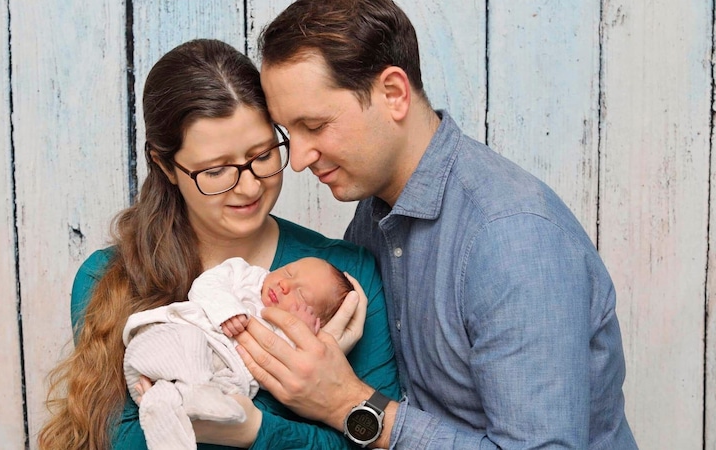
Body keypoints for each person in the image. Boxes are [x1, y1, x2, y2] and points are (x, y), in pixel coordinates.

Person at [233, 0, 639, 448]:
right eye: (293, 133)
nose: (301, 160)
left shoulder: (512, 238)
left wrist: (346, 403)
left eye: (317, 125)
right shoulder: (373, 215)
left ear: (393, 93)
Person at [37, 38, 399, 450]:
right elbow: (124, 440)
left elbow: (375, 443)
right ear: (165, 167)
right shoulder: (110, 278)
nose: (248, 187)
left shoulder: (342, 276)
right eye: (216, 170)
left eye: (263, 155)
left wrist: (256, 428)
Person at [121, 256, 355, 450]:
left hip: (197, 382)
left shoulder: (293, 337)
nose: (284, 284)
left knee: (228, 398)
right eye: (288, 272)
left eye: (301, 297)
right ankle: (196, 394)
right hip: (164, 346)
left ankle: (168, 417)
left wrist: (303, 332)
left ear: (314, 320)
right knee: (192, 342)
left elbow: (282, 373)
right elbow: (206, 284)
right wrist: (227, 310)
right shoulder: (248, 276)